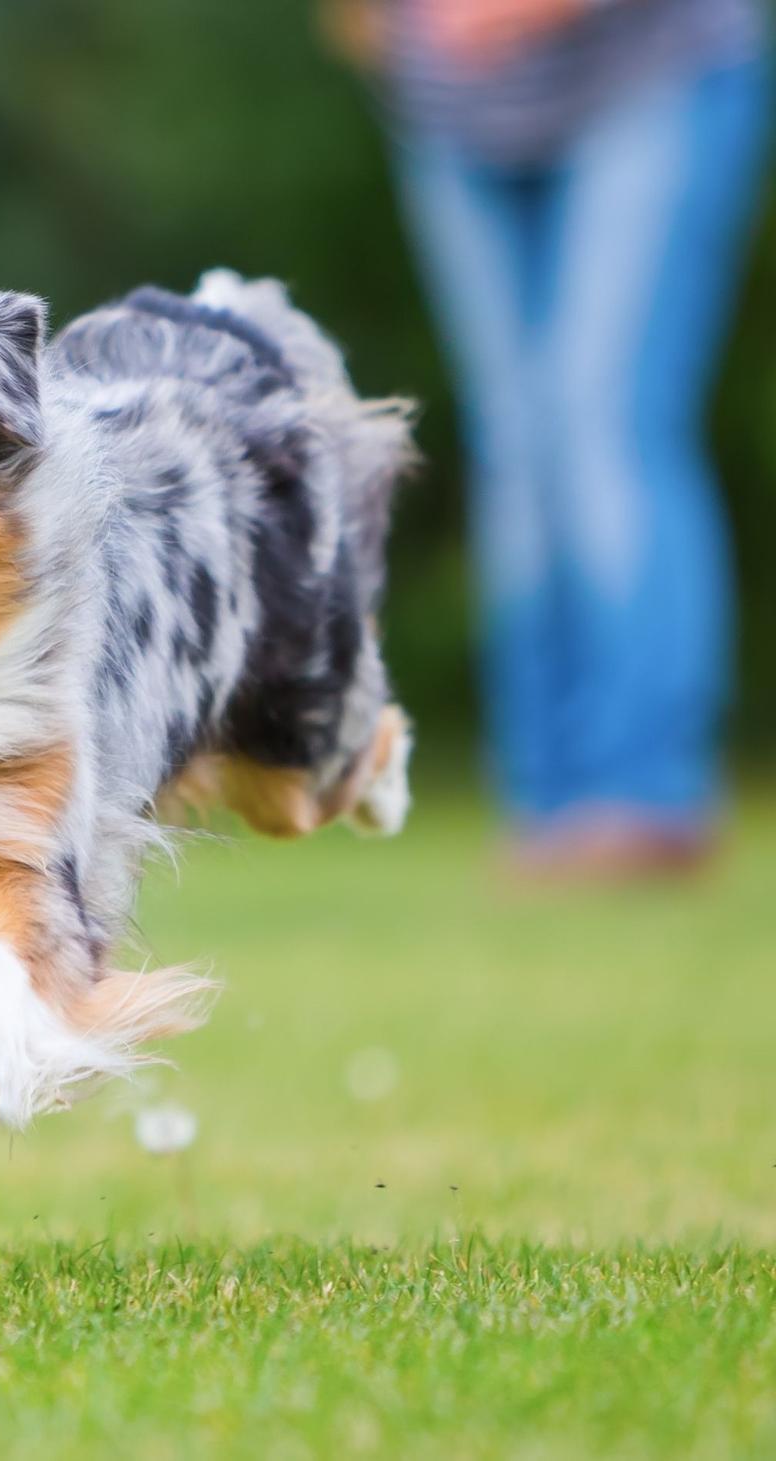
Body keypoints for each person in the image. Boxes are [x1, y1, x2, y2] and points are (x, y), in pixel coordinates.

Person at [325, 0, 771, 878]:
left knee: (603, 420)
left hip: (649, 69)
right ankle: (549, 799)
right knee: (518, 448)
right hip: (456, 106)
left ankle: (643, 795)